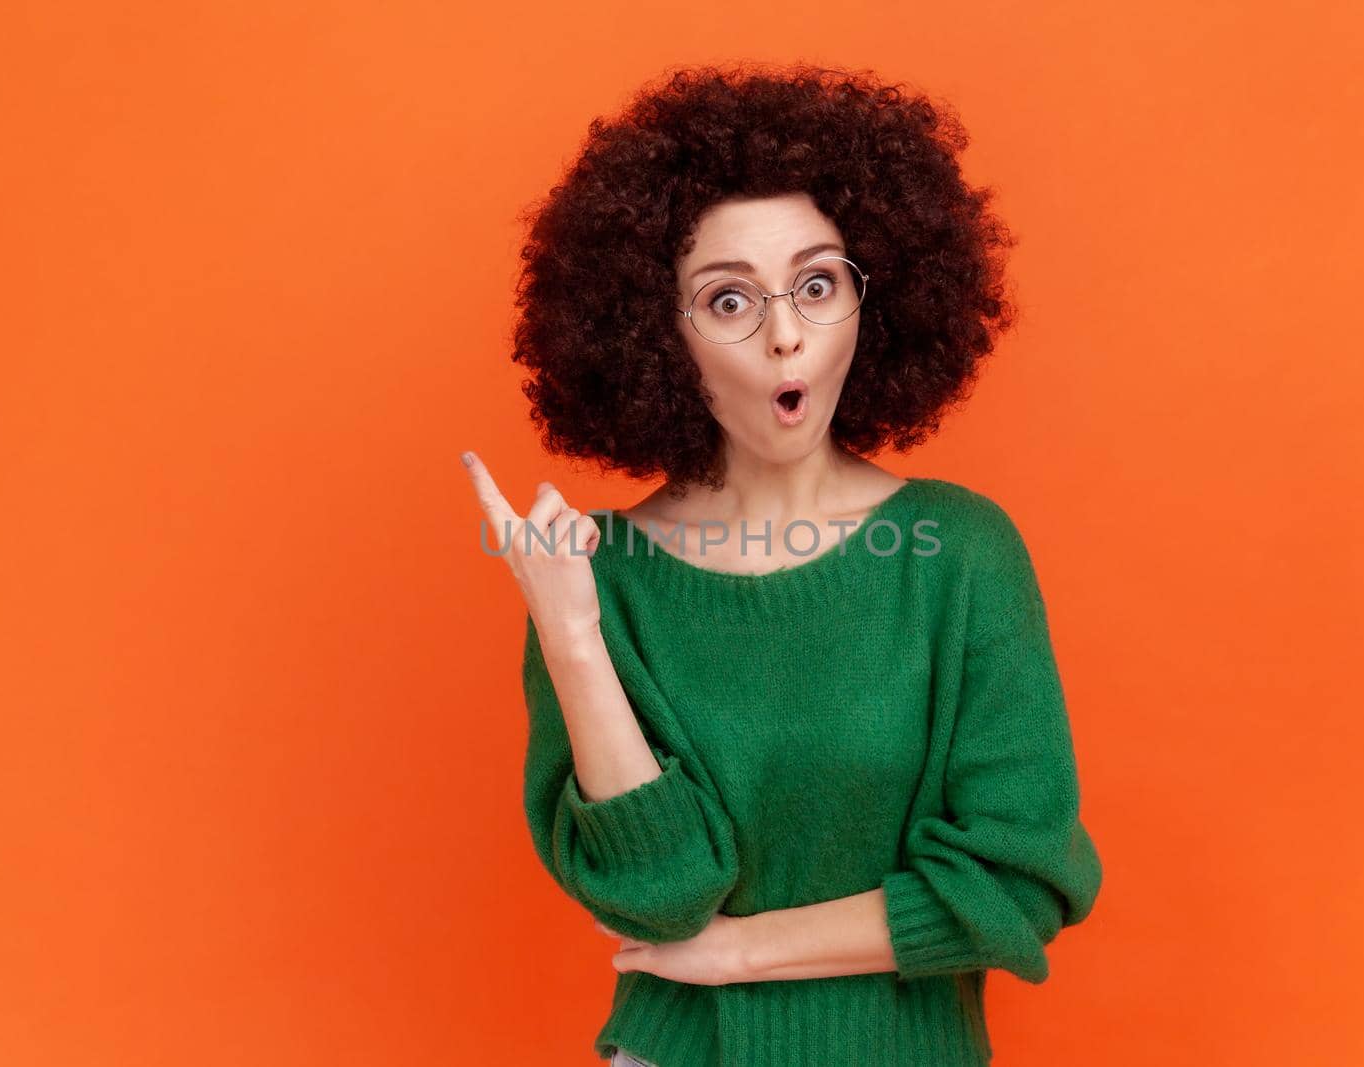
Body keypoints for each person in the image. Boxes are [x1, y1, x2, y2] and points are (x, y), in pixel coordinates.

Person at [462, 62, 1103, 1067]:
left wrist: (739, 954)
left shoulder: (959, 553)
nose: (785, 334)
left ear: (873, 297)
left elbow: (1018, 879)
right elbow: (658, 893)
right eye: (726, 300)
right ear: (655, 335)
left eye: (816, 283)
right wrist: (572, 634)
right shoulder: (599, 574)